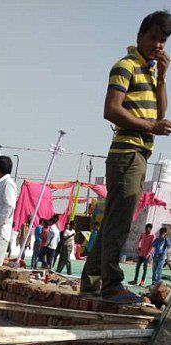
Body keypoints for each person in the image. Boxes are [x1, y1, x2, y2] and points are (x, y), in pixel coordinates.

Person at [81, 11, 171, 304]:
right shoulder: (125, 66)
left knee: (112, 220)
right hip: (127, 152)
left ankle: (91, 281)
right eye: (154, 37)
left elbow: (161, 113)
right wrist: (150, 127)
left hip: (139, 153)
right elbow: (111, 109)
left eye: (163, 40)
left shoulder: (148, 70)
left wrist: (161, 78)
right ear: (140, 36)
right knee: (119, 222)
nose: (159, 45)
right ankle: (111, 286)